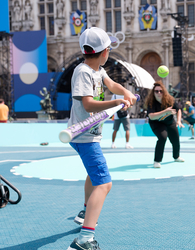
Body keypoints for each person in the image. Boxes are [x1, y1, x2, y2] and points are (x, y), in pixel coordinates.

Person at [67, 27, 137, 250]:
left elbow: (111, 84)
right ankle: (85, 239)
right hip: (84, 135)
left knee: (93, 175)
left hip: (90, 135)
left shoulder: (99, 70)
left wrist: (124, 92)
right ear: (105, 51)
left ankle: (85, 212)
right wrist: (116, 103)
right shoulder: (83, 72)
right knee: (104, 184)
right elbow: (87, 103)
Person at [145, 82, 185, 168]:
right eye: (156, 91)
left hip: (170, 122)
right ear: (153, 93)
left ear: (164, 92)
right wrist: (166, 111)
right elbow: (151, 116)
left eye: (161, 91)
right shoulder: (151, 103)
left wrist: (178, 121)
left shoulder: (170, 100)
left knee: (175, 139)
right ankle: (157, 161)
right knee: (162, 138)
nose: (159, 93)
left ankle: (176, 156)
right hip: (157, 123)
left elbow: (178, 110)